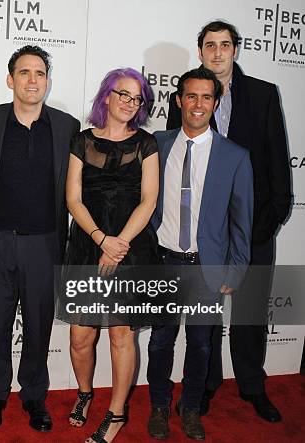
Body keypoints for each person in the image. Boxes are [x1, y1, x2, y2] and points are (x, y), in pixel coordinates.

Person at [167, 20, 291, 422]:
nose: (217, 52)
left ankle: (253, 385)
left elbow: (276, 157)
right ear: (200, 50)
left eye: (225, 45)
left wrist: (270, 219)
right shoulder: (186, 95)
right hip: (203, 233)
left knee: (251, 310)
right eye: (209, 45)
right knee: (205, 316)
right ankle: (204, 385)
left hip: (254, 227)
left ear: (236, 49)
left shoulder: (263, 94)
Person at [0, 45, 80, 432]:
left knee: (38, 325)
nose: (32, 79)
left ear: (47, 82)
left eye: (39, 73)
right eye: (24, 72)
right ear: (10, 80)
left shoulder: (67, 127)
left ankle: (34, 395)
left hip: (44, 242)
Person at [147, 67, 253, 440]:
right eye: (191, 96)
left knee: (201, 344)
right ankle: (159, 406)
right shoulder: (157, 144)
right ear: (178, 100)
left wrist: (235, 272)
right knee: (160, 341)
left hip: (207, 268)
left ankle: (190, 408)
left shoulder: (234, 156)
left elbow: (242, 222)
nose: (198, 104)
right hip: (163, 263)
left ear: (215, 102)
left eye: (206, 97)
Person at [64, 68, 159, 443]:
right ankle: (85, 392)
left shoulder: (147, 144)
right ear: (107, 96)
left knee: (122, 336)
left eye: (136, 98)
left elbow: (149, 200)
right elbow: (72, 198)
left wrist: (118, 244)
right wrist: (101, 238)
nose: (129, 103)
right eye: (123, 94)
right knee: (79, 337)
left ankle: (117, 414)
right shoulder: (81, 140)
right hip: (89, 244)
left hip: (131, 248)